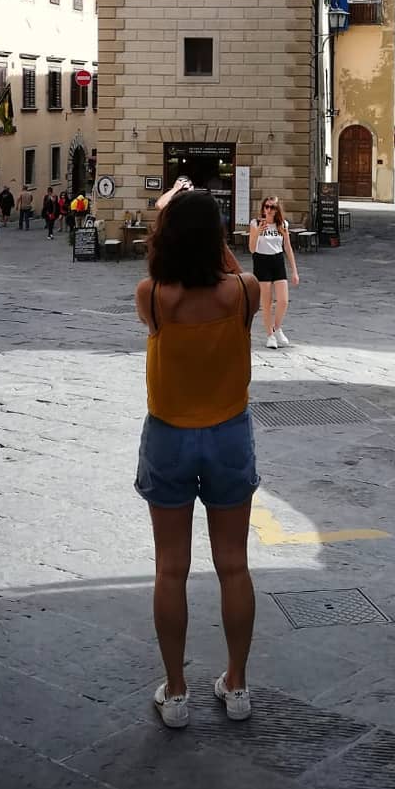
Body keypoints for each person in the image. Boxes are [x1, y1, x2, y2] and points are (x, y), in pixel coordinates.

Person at [134, 183, 261, 730]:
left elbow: (167, 270)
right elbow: (231, 273)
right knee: (234, 566)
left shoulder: (154, 297)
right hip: (229, 433)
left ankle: (178, 692)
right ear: (218, 239)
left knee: (170, 569)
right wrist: (219, 249)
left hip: (169, 435)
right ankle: (236, 685)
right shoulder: (247, 291)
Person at [248, 195, 299, 349]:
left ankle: (277, 328)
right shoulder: (255, 223)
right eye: (267, 207)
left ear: (277, 210)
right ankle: (270, 334)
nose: (269, 210)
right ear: (263, 208)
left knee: (283, 301)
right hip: (261, 261)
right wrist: (258, 232)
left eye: (272, 207)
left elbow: (288, 248)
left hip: (277, 261)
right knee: (267, 302)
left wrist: (294, 271)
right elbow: (251, 248)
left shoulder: (282, 224)